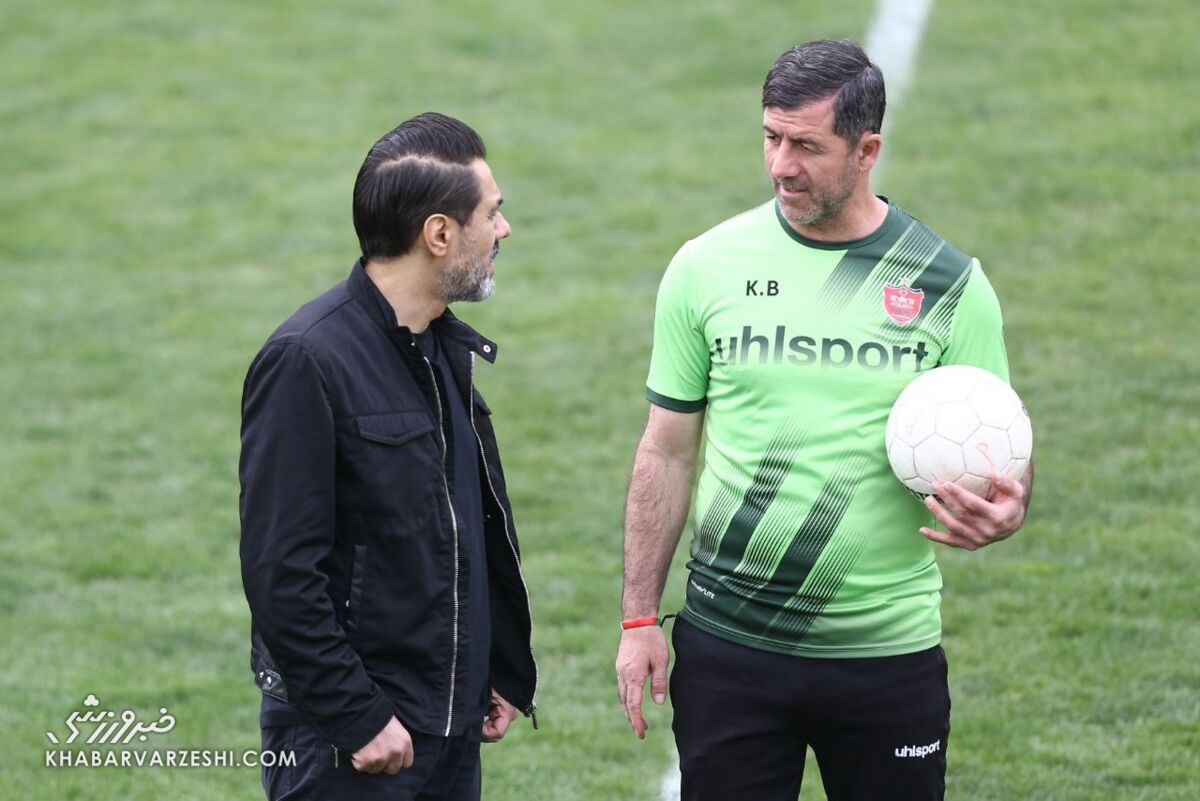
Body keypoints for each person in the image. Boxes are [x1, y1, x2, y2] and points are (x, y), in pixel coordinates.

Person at [615, 40, 1034, 801]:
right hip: (729, 648)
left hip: (887, 653)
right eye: (771, 138)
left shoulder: (949, 285)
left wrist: (1009, 507)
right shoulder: (706, 267)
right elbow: (665, 453)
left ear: (867, 150)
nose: (781, 165)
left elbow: (1000, 446)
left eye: (807, 145)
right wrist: (639, 618)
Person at [239, 112, 537, 801]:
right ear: (439, 234)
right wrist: (355, 715)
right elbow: (280, 571)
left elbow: (453, 531)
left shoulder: (439, 347)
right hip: (352, 744)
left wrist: (486, 667)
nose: (504, 230)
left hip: (447, 725)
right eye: (491, 213)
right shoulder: (306, 361)